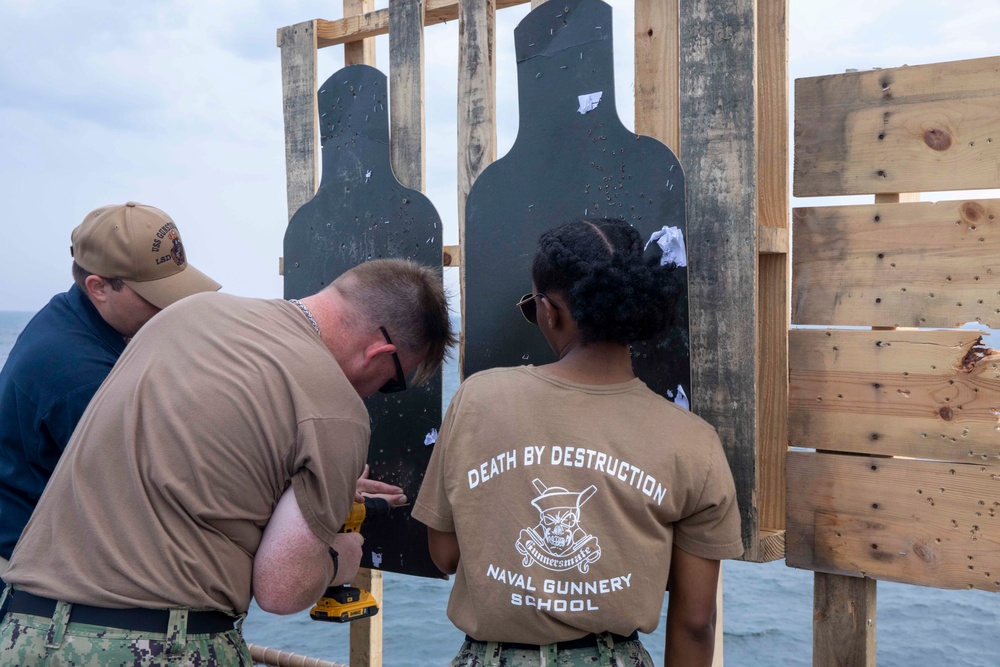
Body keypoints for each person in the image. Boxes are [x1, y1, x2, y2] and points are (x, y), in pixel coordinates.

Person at [0, 258, 456, 666]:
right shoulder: (336, 409)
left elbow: (189, 452)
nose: (377, 395)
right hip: (157, 647)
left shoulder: (187, 314)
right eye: (392, 383)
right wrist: (338, 559)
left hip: (24, 627)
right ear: (379, 354)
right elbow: (281, 589)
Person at [413, 218, 743, 667]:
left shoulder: (477, 398)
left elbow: (446, 554)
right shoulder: (695, 444)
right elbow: (694, 622)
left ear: (551, 312)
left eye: (534, 307)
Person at [0, 202, 220, 572]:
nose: (171, 309)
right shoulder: (79, 379)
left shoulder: (74, 313)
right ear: (98, 287)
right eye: (156, 297)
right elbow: (155, 499)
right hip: (30, 569)